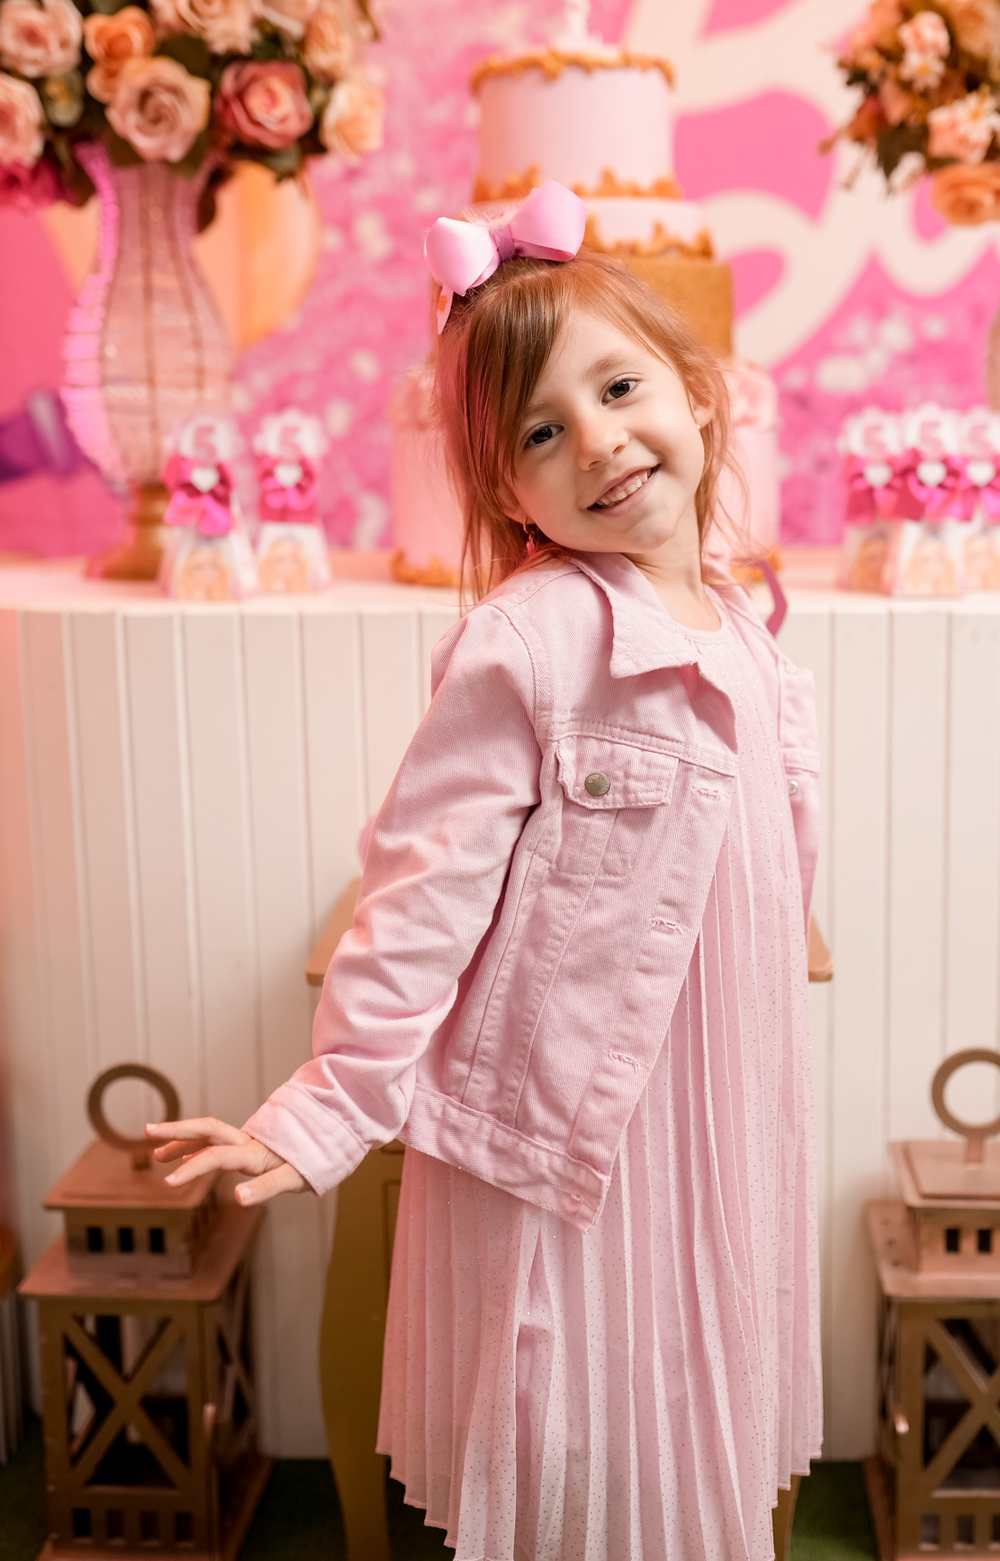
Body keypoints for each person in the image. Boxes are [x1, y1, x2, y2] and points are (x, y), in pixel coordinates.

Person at [148, 182, 822, 1561]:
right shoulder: (530, 641)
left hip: (718, 1097)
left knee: (693, 1410)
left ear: (700, 398)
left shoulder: (744, 621)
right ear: (507, 493)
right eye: (540, 431)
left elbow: (772, 828)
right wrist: (328, 1104)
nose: (599, 441)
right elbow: (423, 886)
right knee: (574, 1430)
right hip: (583, 1126)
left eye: (619, 388)